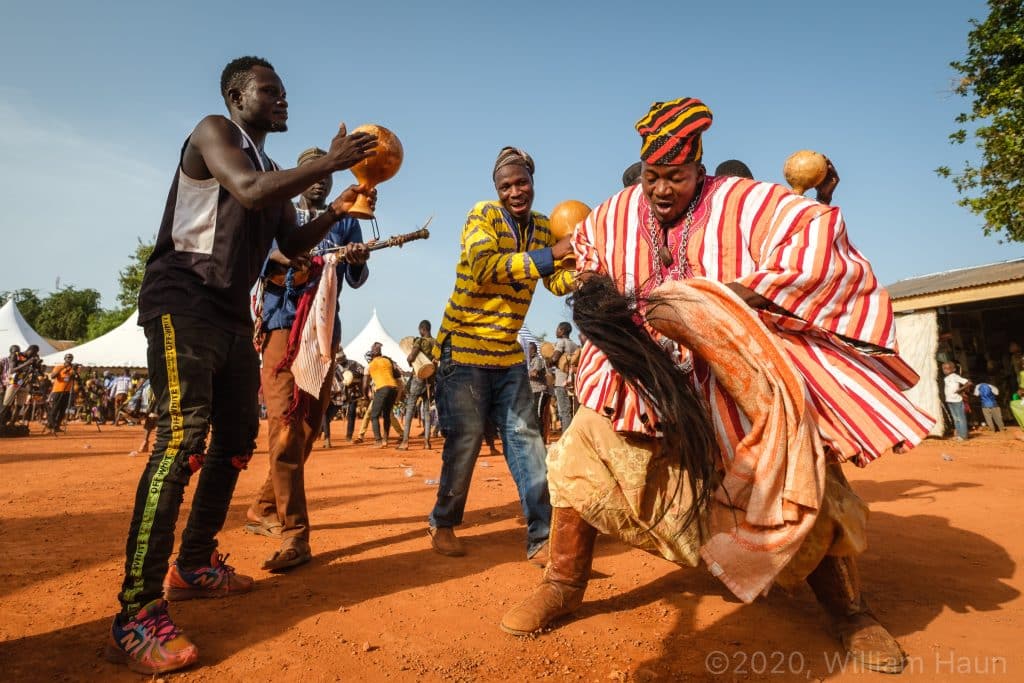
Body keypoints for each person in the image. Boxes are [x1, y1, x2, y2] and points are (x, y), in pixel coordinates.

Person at [500, 98, 934, 674]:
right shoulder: (617, 212)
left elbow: (817, 238)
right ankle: (562, 582)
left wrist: (722, 300)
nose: (660, 190)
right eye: (652, 176)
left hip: (735, 379)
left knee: (804, 478)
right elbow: (587, 257)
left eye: (674, 177)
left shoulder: (746, 202)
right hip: (641, 379)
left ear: (698, 166)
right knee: (578, 454)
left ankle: (850, 612)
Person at [106, 56, 378, 675]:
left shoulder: (273, 168)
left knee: (235, 442)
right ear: (236, 95)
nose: (283, 99)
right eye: (270, 91)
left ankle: (195, 562)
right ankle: (136, 611)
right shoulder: (213, 133)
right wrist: (328, 164)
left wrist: (337, 210)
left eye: (284, 92)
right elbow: (249, 193)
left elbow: (290, 243)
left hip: (228, 314)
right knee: (182, 442)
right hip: (182, 300)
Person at [427, 146, 574, 561]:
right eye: (505, 185)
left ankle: (543, 537)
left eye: (521, 182)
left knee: (527, 441)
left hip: (507, 353)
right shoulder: (483, 216)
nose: (514, 191)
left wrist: (583, 265)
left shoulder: (545, 228)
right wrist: (552, 256)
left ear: (532, 181)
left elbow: (556, 281)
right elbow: (484, 266)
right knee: (466, 439)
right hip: (465, 348)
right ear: (496, 189)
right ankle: (443, 521)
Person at [245, 146, 371, 571]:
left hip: (323, 334)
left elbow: (356, 278)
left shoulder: (346, 219)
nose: (320, 181)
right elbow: (265, 257)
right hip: (283, 328)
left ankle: (264, 506)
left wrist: (358, 257)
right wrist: (295, 256)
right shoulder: (280, 211)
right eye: (312, 173)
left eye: (327, 176)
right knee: (284, 428)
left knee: (308, 429)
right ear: (301, 175)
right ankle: (295, 534)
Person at [397, 320, 436, 450]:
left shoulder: (419, 341)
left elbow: (411, 357)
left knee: (410, 407)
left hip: (418, 377)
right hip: (430, 379)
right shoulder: (435, 342)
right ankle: (426, 442)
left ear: (421, 329)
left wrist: (409, 359)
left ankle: (405, 442)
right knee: (426, 410)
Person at [363, 342, 401, 446]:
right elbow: (398, 374)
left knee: (374, 416)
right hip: (393, 389)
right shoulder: (388, 361)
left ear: (372, 354)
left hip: (382, 389)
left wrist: (365, 396)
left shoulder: (369, 366)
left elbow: (365, 385)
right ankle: (385, 439)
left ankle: (378, 441)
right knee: (387, 415)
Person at [550, 322, 579, 433]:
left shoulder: (561, 342)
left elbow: (554, 358)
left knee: (563, 411)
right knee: (571, 409)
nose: (556, 331)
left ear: (562, 330)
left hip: (561, 381)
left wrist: (549, 361)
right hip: (572, 380)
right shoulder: (574, 345)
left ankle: (566, 437)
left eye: (557, 329)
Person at [45, 353, 77, 433]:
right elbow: (52, 376)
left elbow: (75, 378)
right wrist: (64, 367)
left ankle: (57, 426)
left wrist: (74, 371)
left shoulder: (72, 368)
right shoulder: (59, 367)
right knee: (55, 409)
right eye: (68, 357)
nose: (69, 359)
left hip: (67, 391)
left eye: (71, 358)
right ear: (65, 358)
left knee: (63, 410)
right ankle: (50, 426)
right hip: (57, 391)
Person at [527, 342, 551, 442]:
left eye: (528, 350)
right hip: (533, 391)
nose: (526, 352)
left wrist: (522, 373)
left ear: (533, 350)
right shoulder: (531, 361)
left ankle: (540, 439)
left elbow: (534, 373)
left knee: (538, 414)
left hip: (540, 390)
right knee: (533, 414)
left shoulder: (538, 360)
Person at [943, 361, 971, 440]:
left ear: (954, 369)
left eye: (948, 368)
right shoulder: (946, 378)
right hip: (949, 400)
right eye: (944, 368)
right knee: (955, 418)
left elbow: (968, 383)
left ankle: (963, 436)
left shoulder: (955, 376)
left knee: (961, 418)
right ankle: (959, 435)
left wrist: (959, 390)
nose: (945, 370)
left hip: (957, 401)